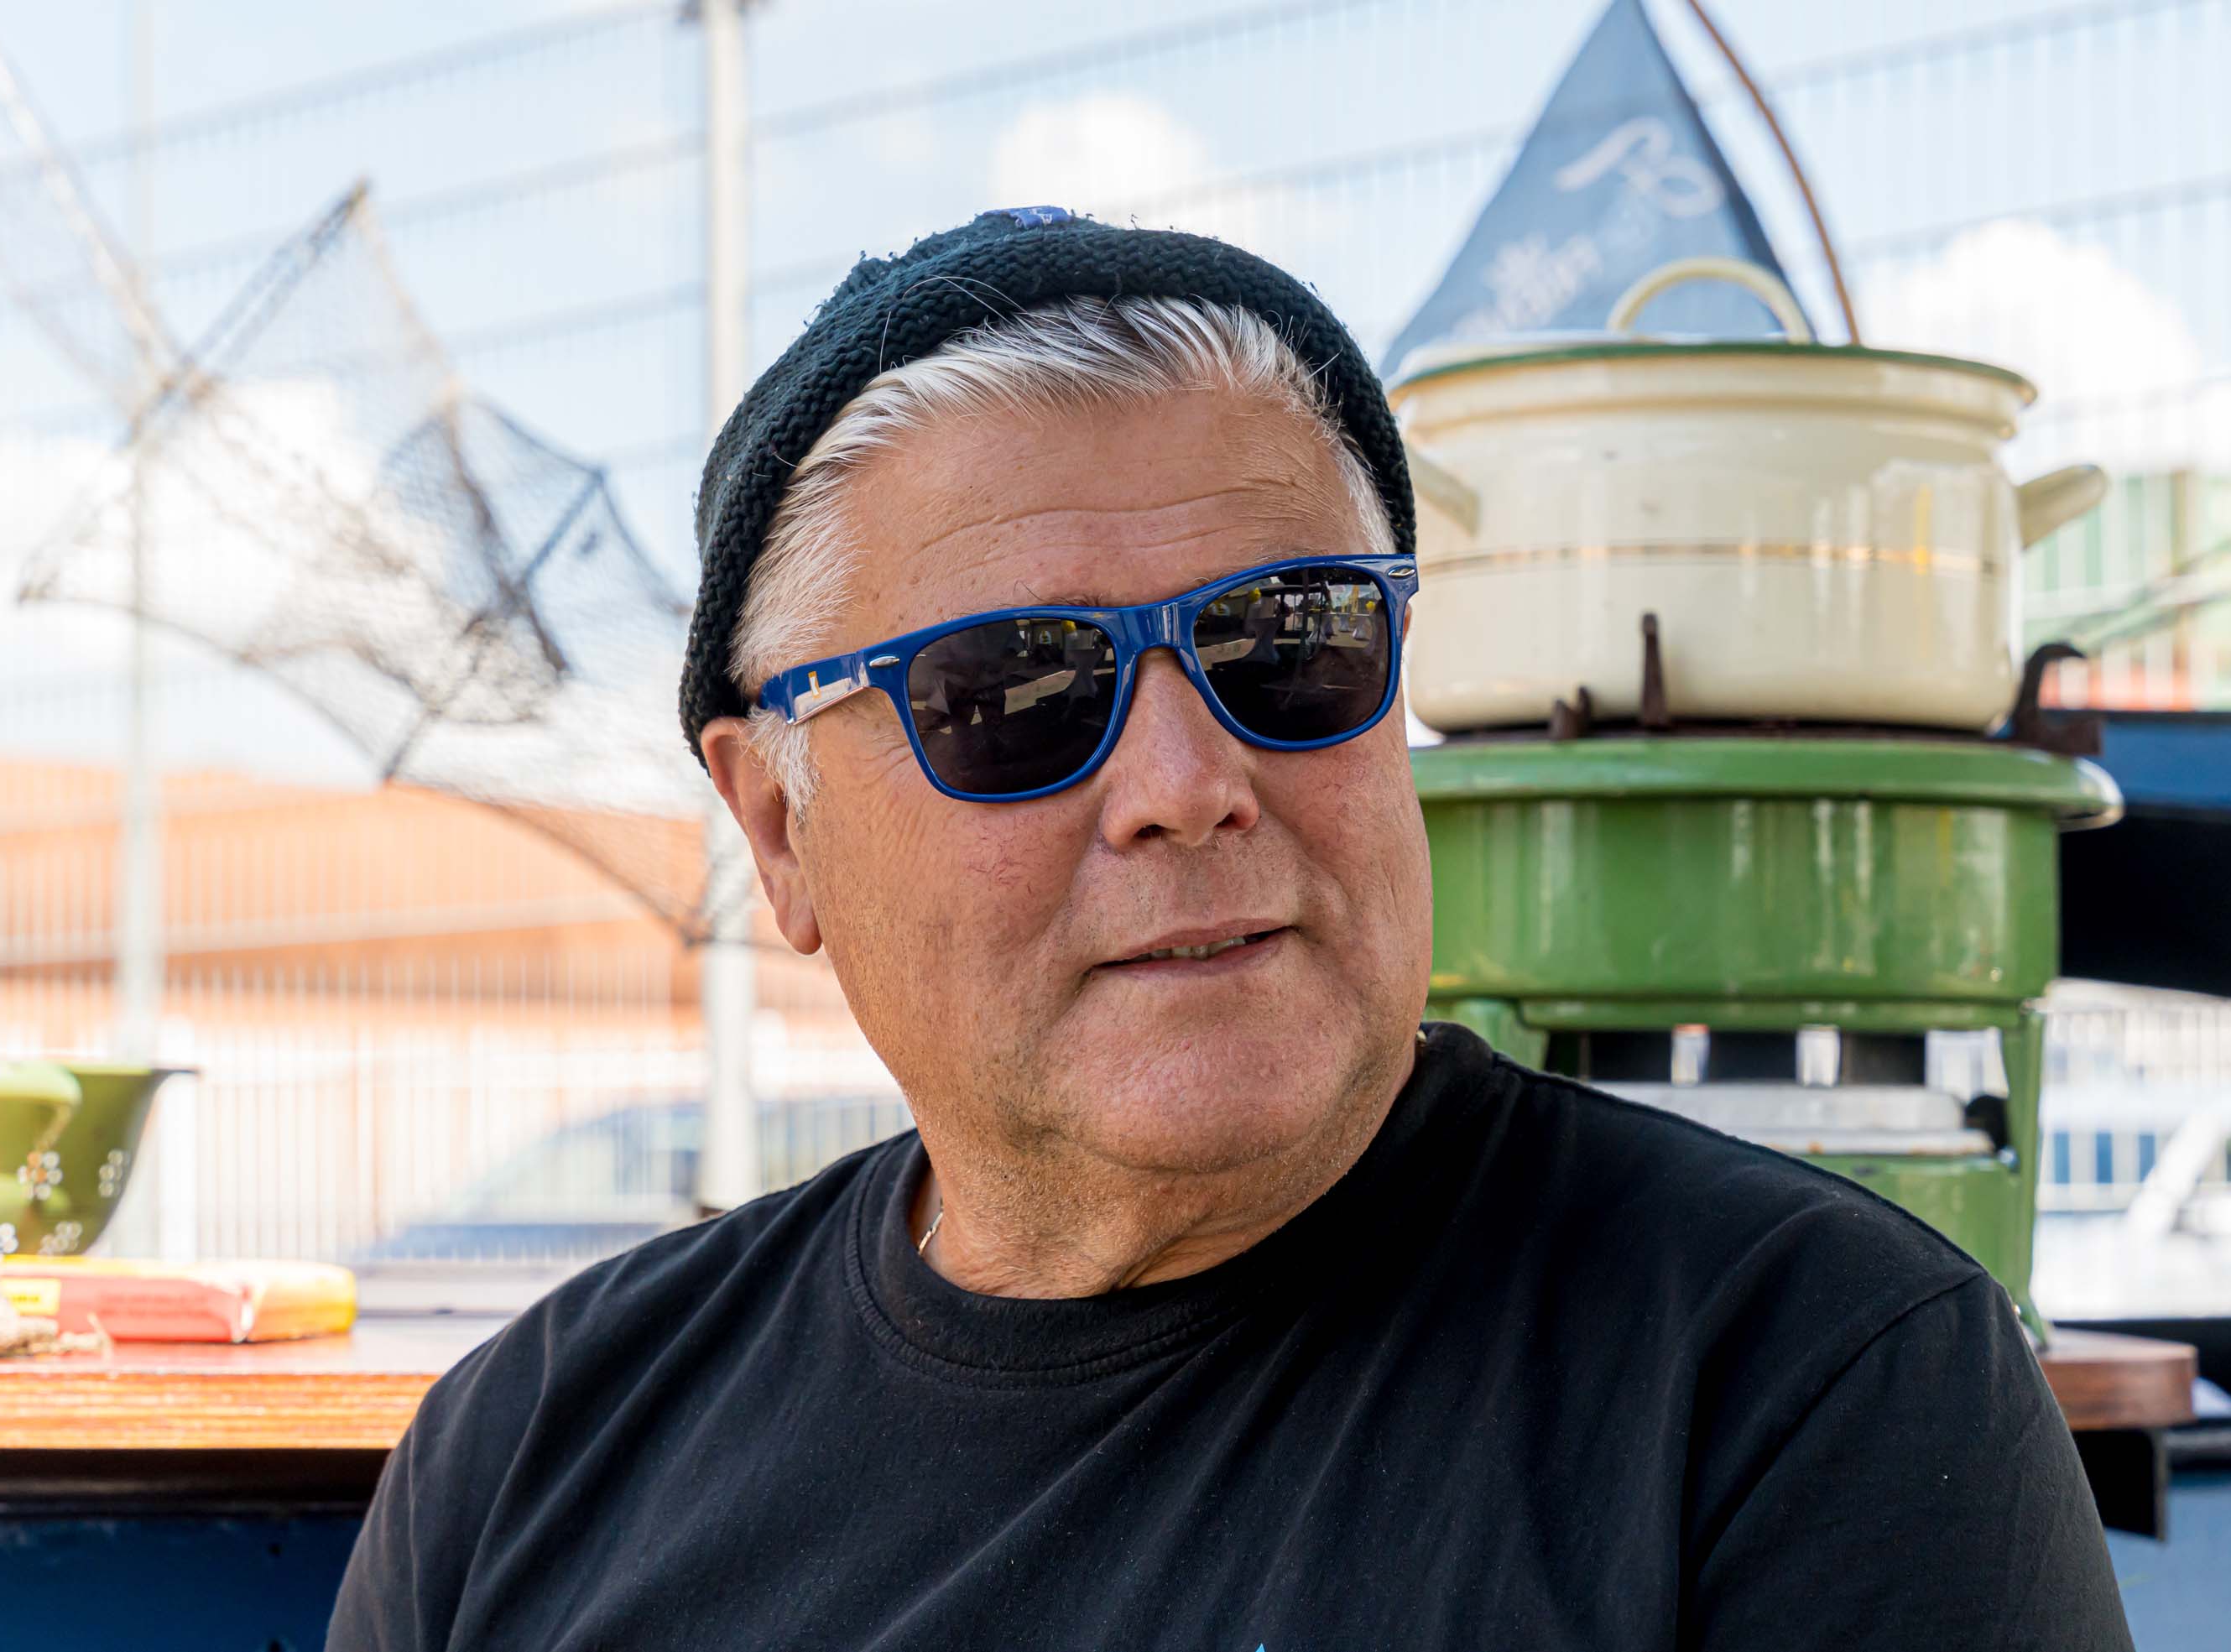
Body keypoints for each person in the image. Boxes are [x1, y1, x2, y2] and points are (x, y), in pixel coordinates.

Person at [330, 210, 2131, 1649]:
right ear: (780, 828)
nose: (1187, 785)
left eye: (1292, 644)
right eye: (1014, 691)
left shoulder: (1806, 1386)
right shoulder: (530, 1456)